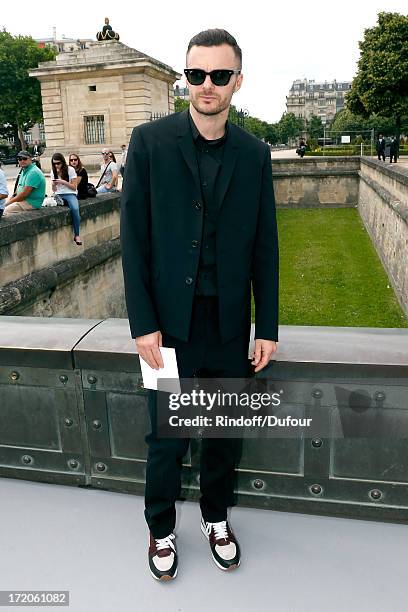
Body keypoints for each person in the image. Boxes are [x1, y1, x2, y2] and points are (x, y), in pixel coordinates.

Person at [120, 28, 279, 581]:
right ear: (184, 77)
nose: (205, 85)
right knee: (167, 436)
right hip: (166, 329)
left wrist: (268, 324)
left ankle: (216, 518)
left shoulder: (255, 153)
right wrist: (143, 325)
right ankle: (160, 527)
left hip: (230, 327)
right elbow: (134, 240)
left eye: (217, 75)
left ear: (238, 80)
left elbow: (266, 246)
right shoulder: (149, 142)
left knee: (222, 433)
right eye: (194, 74)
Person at [51, 153, 82, 245]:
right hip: (58, 194)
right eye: (54, 164)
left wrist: (63, 182)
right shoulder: (53, 171)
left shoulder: (70, 170)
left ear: (63, 162)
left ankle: (77, 235)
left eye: (58, 163)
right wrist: (53, 185)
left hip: (70, 193)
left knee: (75, 209)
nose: (56, 165)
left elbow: (74, 187)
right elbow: (54, 190)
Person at [3, 151, 46, 215]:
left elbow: (24, 194)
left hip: (30, 203)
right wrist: (11, 199)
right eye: (20, 159)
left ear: (30, 159)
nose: (22, 161)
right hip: (23, 202)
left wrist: (8, 203)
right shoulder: (25, 170)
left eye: (24, 159)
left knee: (4, 212)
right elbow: (18, 189)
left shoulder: (33, 172)